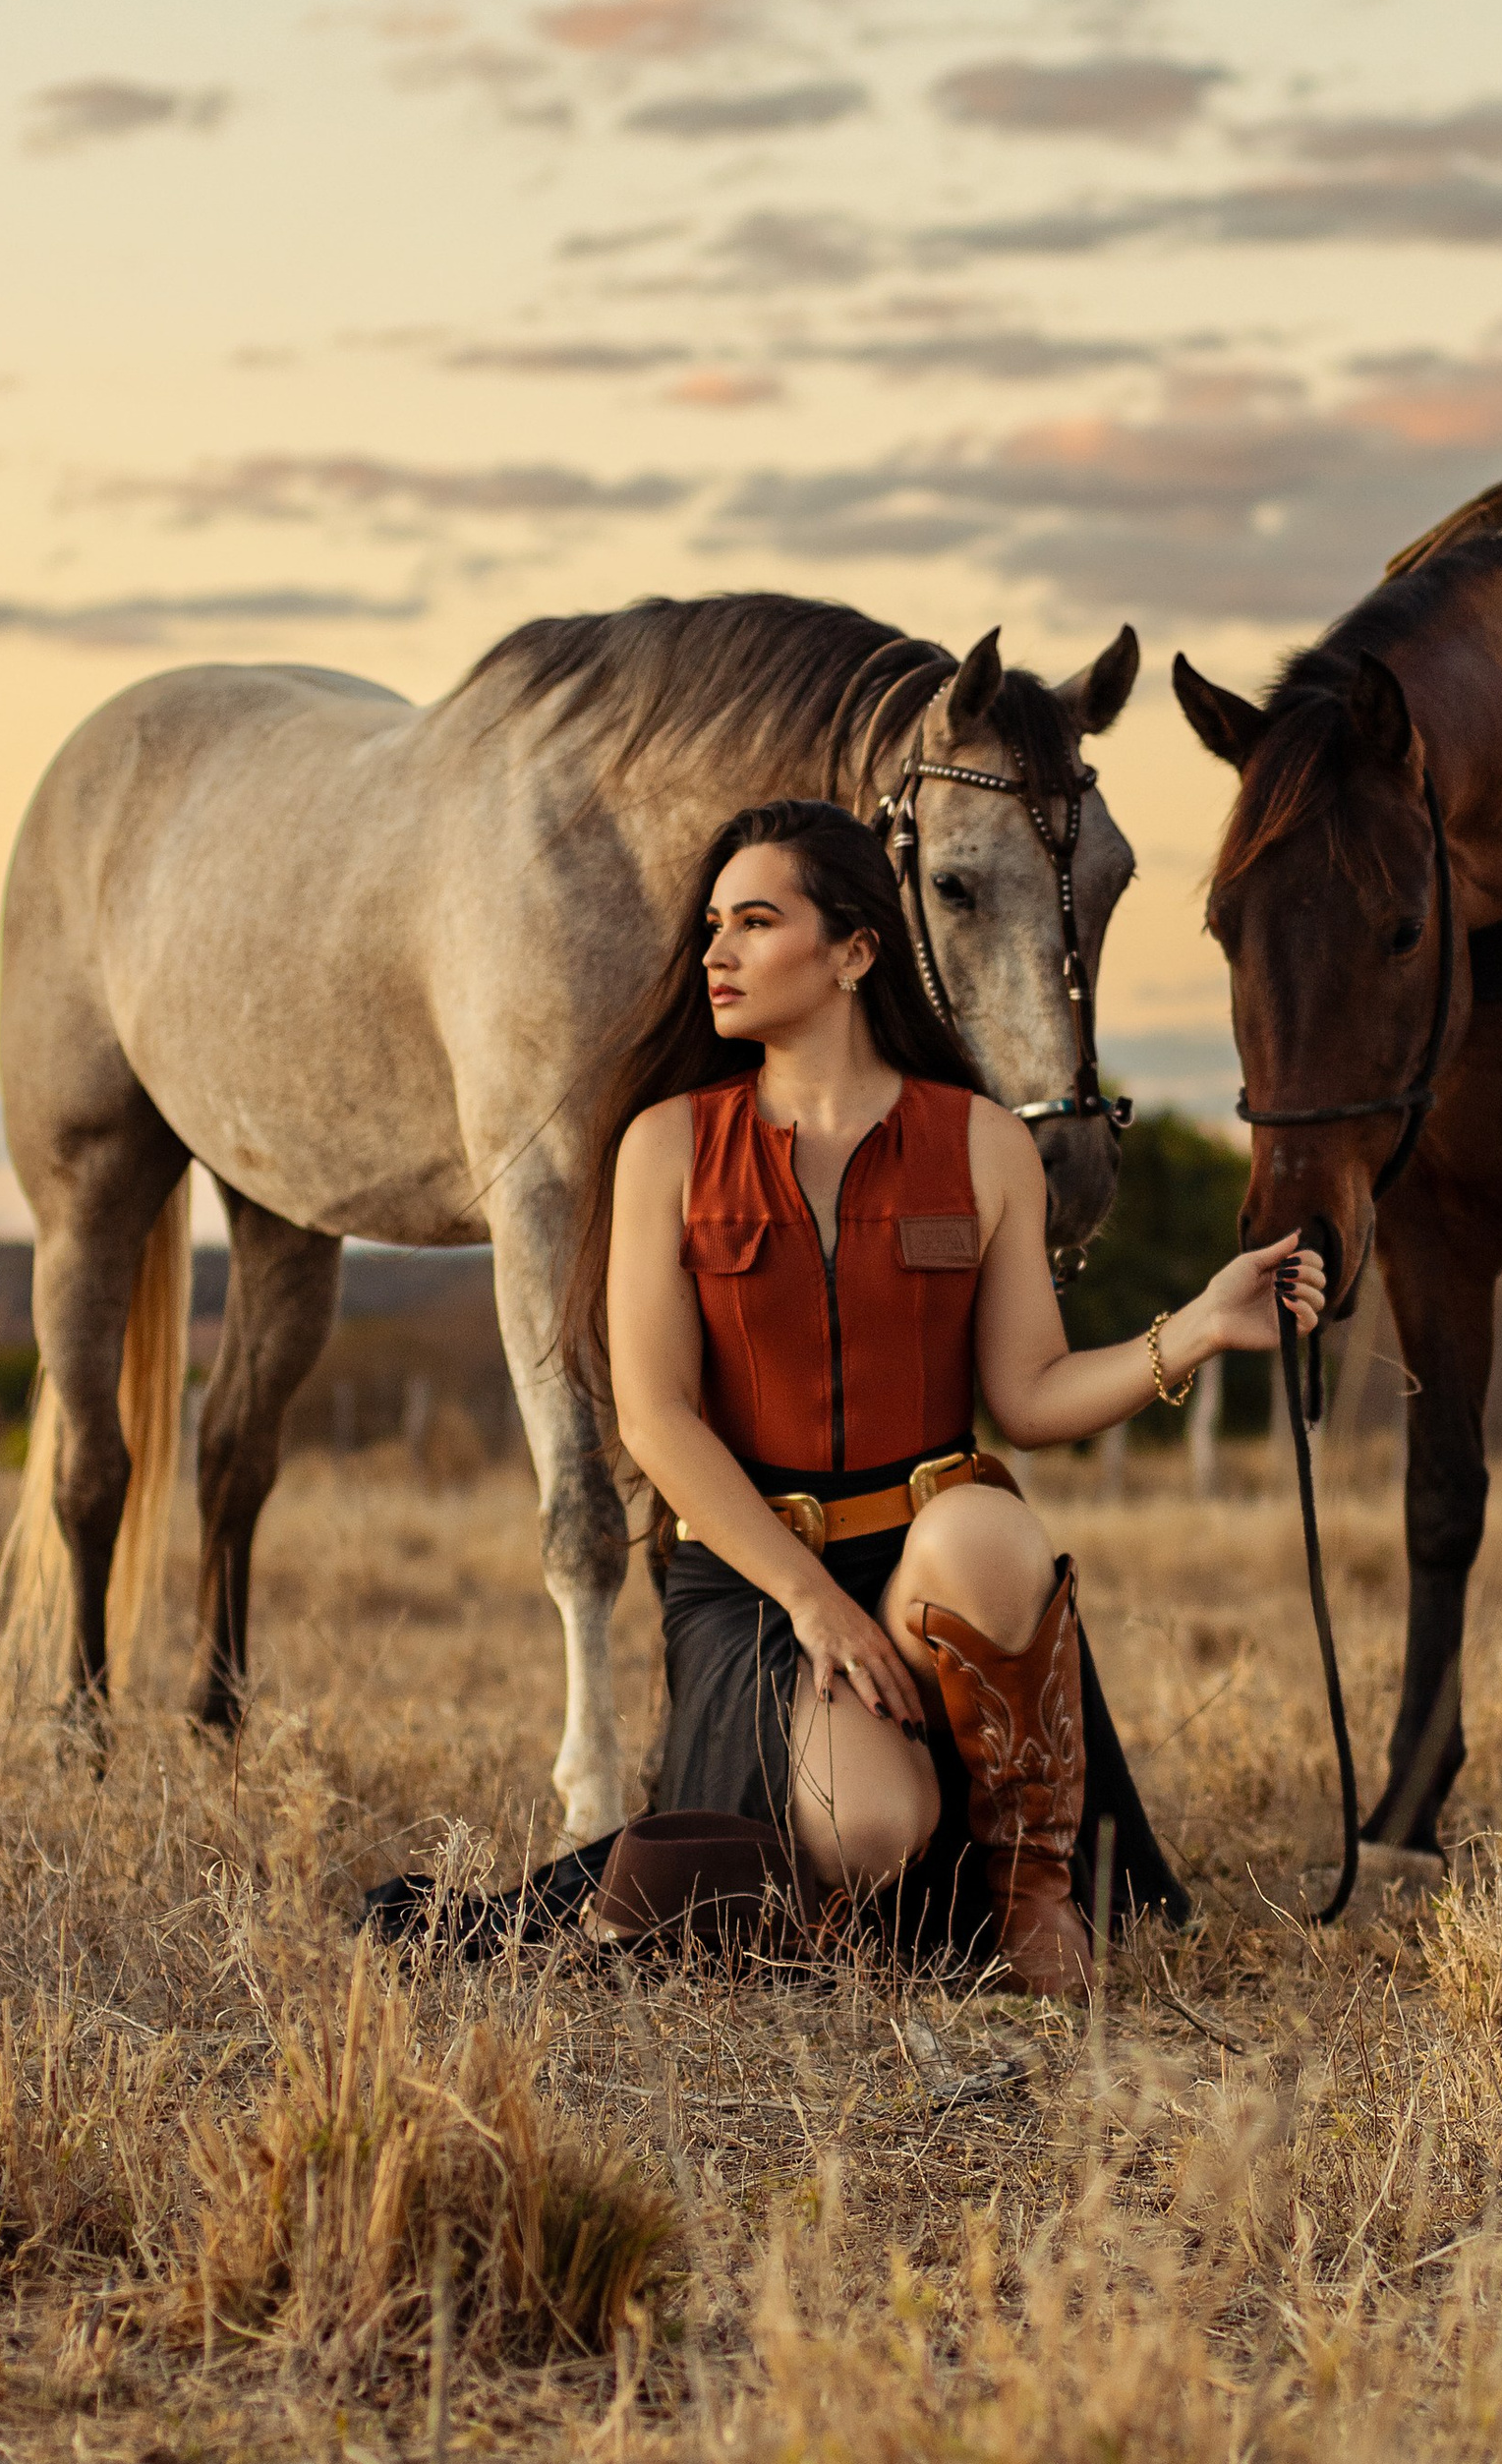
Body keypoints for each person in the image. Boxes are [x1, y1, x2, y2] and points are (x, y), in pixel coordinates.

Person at [557, 796, 1323, 1999]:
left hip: (933, 1575)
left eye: (756, 923)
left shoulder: (978, 1143)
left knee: (983, 1516)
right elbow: (656, 1419)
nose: (716, 953)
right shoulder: (666, 1144)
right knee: (867, 1829)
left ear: (856, 950)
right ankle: (864, 1856)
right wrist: (812, 1604)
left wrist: (1199, 1330)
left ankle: (1028, 1894)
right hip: (756, 1588)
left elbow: (1029, 1394)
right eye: (713, 926)